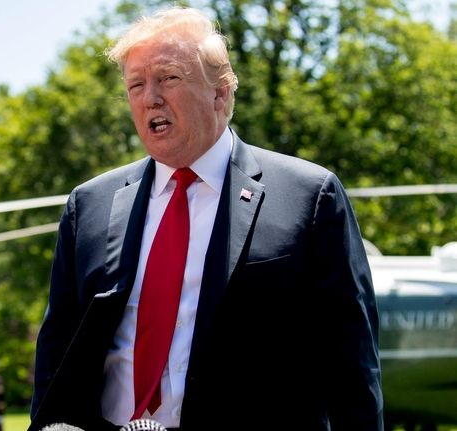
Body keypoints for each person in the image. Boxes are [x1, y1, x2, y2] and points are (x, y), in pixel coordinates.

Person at [30, 7, 382, 431]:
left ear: (222, 93)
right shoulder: (89, 205)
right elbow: (56, 357)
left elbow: (352, 367)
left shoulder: (310, 197)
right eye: (135, 85)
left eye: (169, 78)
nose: (149, 98)